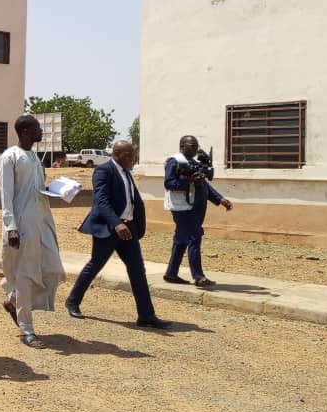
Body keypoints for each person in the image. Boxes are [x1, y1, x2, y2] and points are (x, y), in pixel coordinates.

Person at [64, 140, 171, 328]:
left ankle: (146, 315)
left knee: (137, 270)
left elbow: (133, 200)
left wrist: (136, 226)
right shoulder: (103, 171)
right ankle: (73, 300)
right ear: (118, 154)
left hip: (128, 229)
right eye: (129, 155)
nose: (132, 159)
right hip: (109, 228)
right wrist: (116, 224)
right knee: (96, 264)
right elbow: (101, 201)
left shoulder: (126, 172)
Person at [0, 115, 66, 349]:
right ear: (26, 131)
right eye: (38, 128)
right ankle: (27, 329)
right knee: (26, 275)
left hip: (42, 221)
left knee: (52, 268)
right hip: (21, 224)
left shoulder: (35, 157)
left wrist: (57, 190)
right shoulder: (10, 157)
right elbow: (6, 195)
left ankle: (13, 300)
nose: (42, 131)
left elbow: (35, 189)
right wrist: (11, 227)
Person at [163, 135, 233, 288]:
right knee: (194, 237)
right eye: (192, 145)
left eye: (196, 145)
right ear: (182, 146)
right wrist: (188, 181)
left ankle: (171, 274)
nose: (196, 148)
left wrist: (220, 199)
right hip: (183, 208)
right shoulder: (174, 161)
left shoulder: (194, 163)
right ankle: (199, 277)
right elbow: (169, 183)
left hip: (196, 207)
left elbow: (204, 185)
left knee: (181, 240)